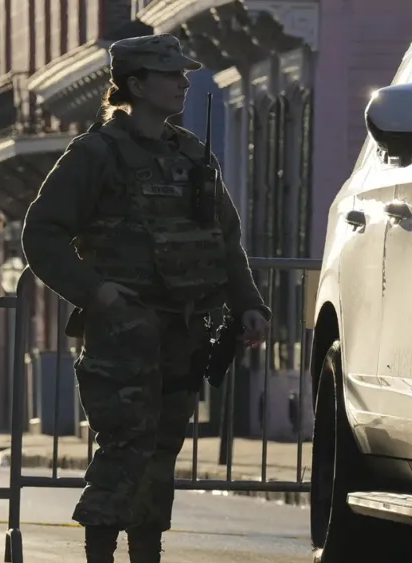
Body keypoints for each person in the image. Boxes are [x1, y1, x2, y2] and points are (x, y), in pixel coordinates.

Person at [20, 33, 270, 562]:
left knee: (161, 455)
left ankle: (147, 554)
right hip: (123, 332)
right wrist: (96, 291)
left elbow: (226, 239)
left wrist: (248, 304)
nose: (183, 83)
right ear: (135, 84)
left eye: (183, 74)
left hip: (184, 331)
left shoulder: (191, 154)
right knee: (123, 451)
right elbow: (42, 233)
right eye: (170, 75)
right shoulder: (95, 154)